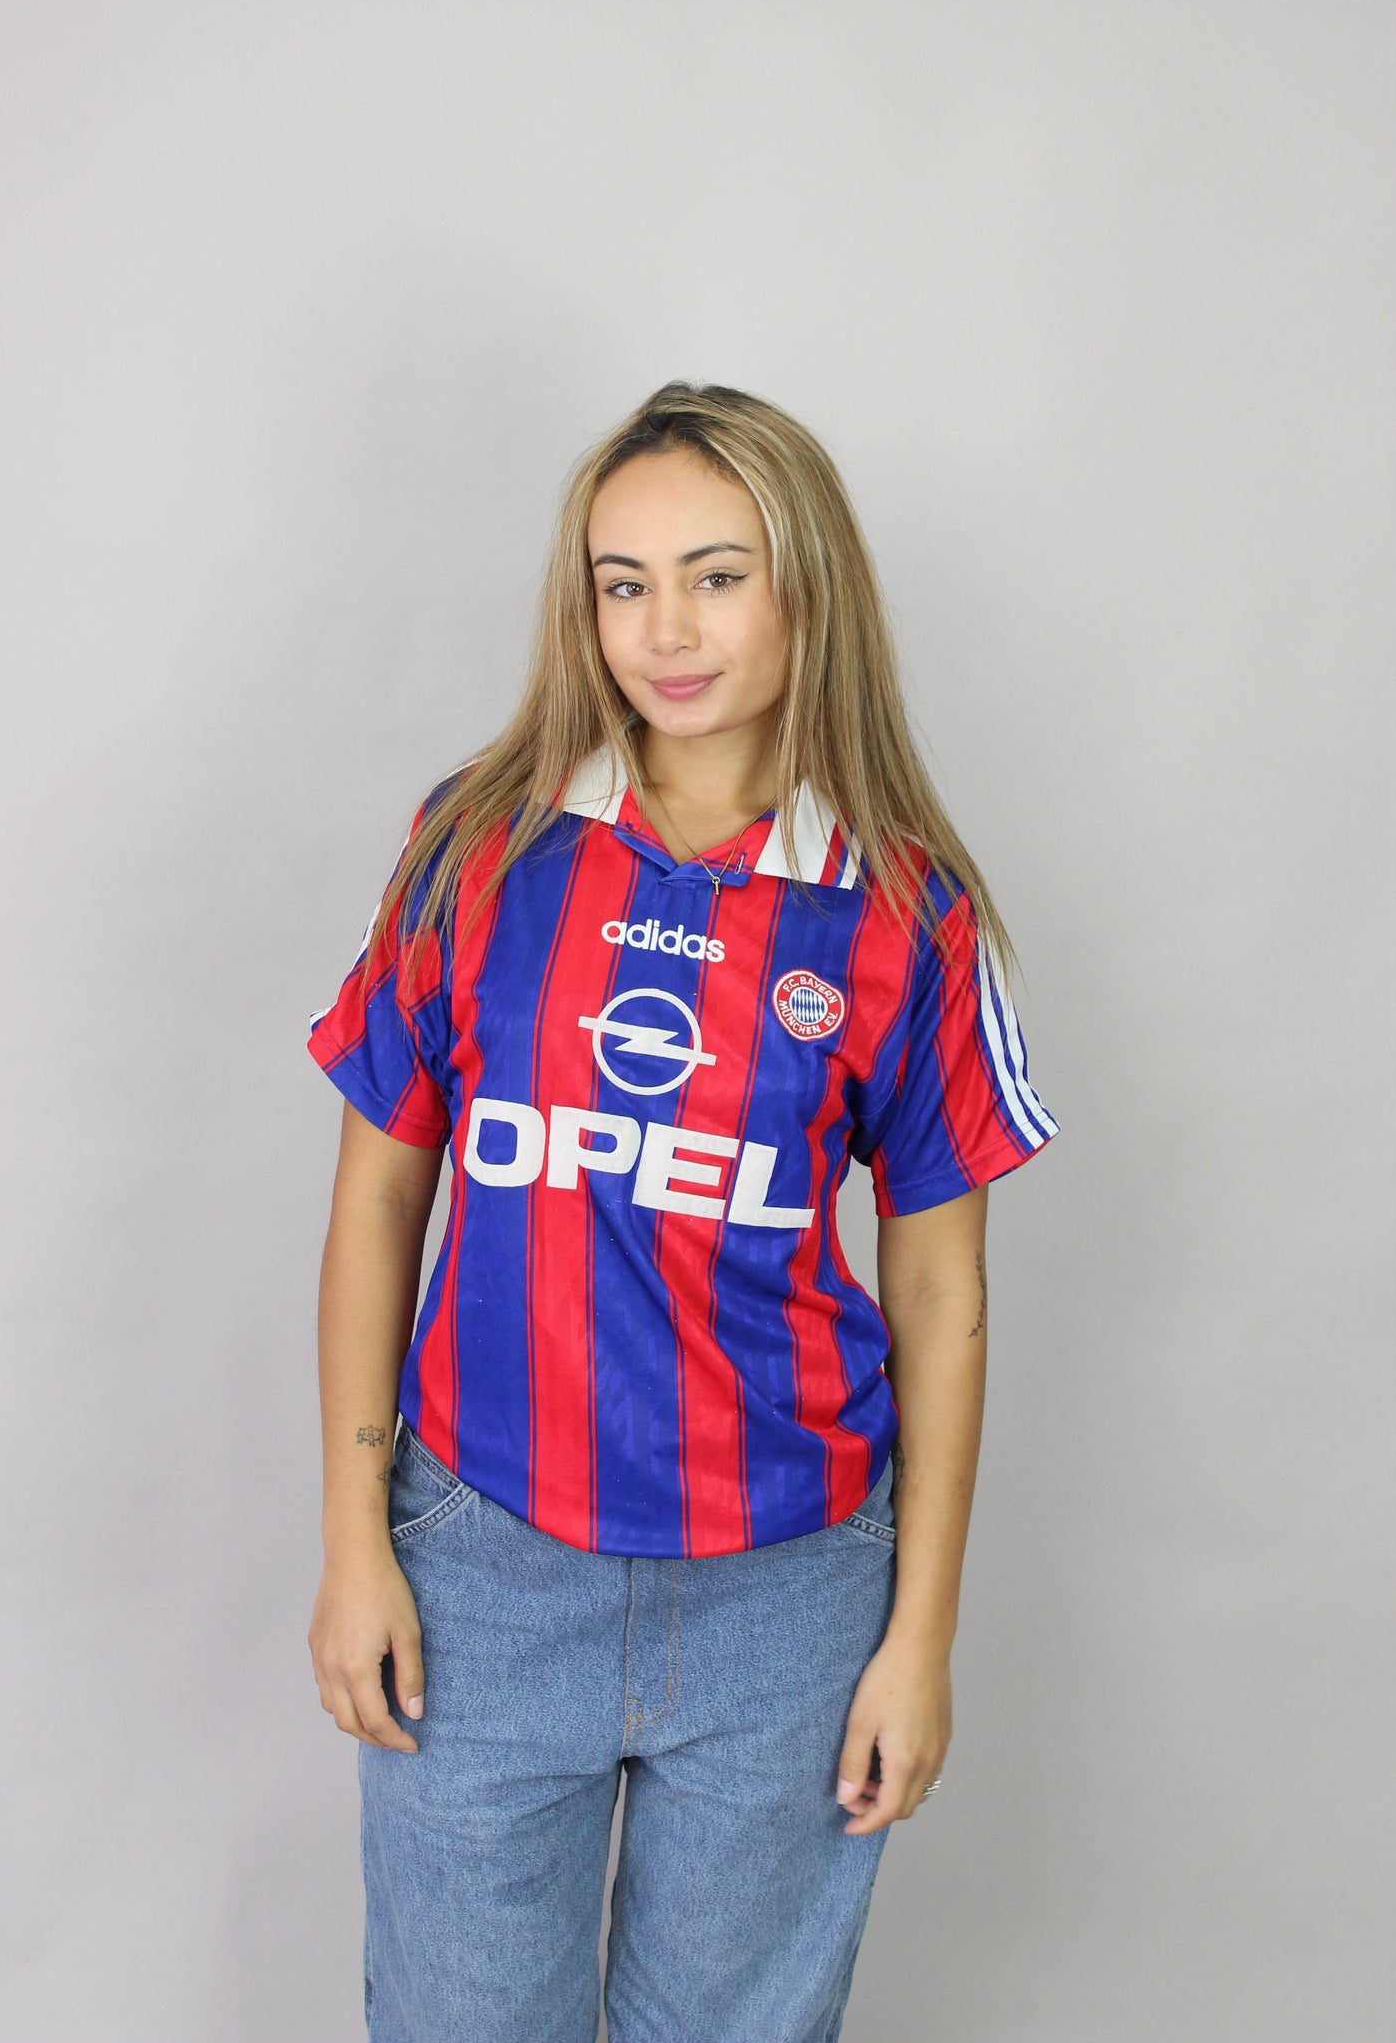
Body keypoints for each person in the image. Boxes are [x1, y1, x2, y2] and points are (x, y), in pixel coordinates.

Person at [305, 379, 1060, 2042]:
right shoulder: (479, 848)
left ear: (806, 587)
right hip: (483, 1566)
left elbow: (941, 1296)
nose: (666, 630)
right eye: (622, 582)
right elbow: (377, 1197)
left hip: (787, 1594)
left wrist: (917, 1636)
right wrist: (357, 1539)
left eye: (717, 576)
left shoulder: (905, 912)